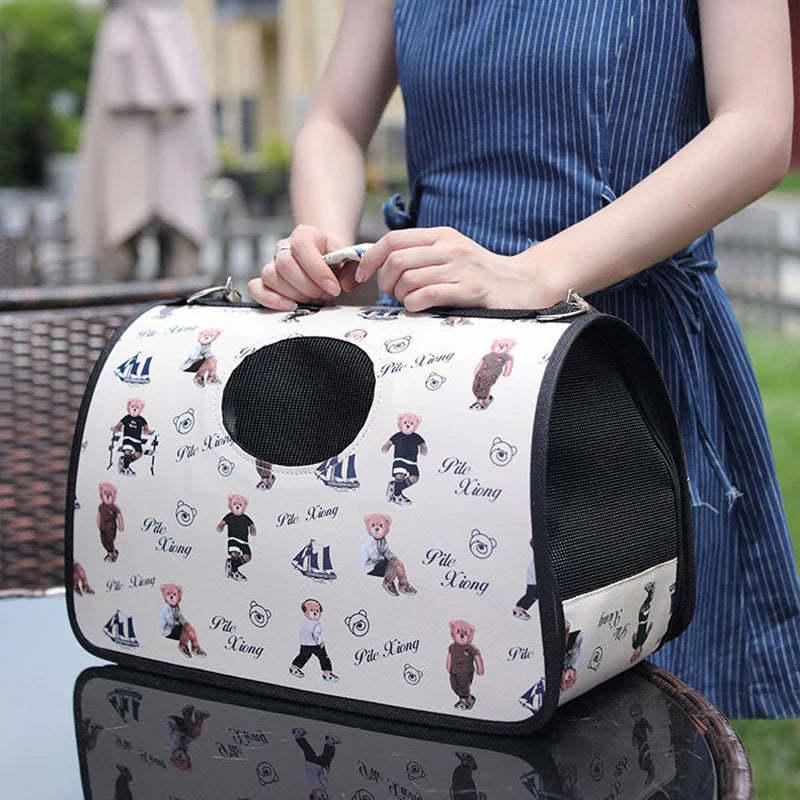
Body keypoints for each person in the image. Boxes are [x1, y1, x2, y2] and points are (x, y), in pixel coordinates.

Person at [247, 0, 800, 719]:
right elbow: (334, 121)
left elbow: (758, 127)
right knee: (421, 680)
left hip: (620, 359)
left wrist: (535, 273)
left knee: (634, 721)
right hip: (437, 373)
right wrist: (321, 246)